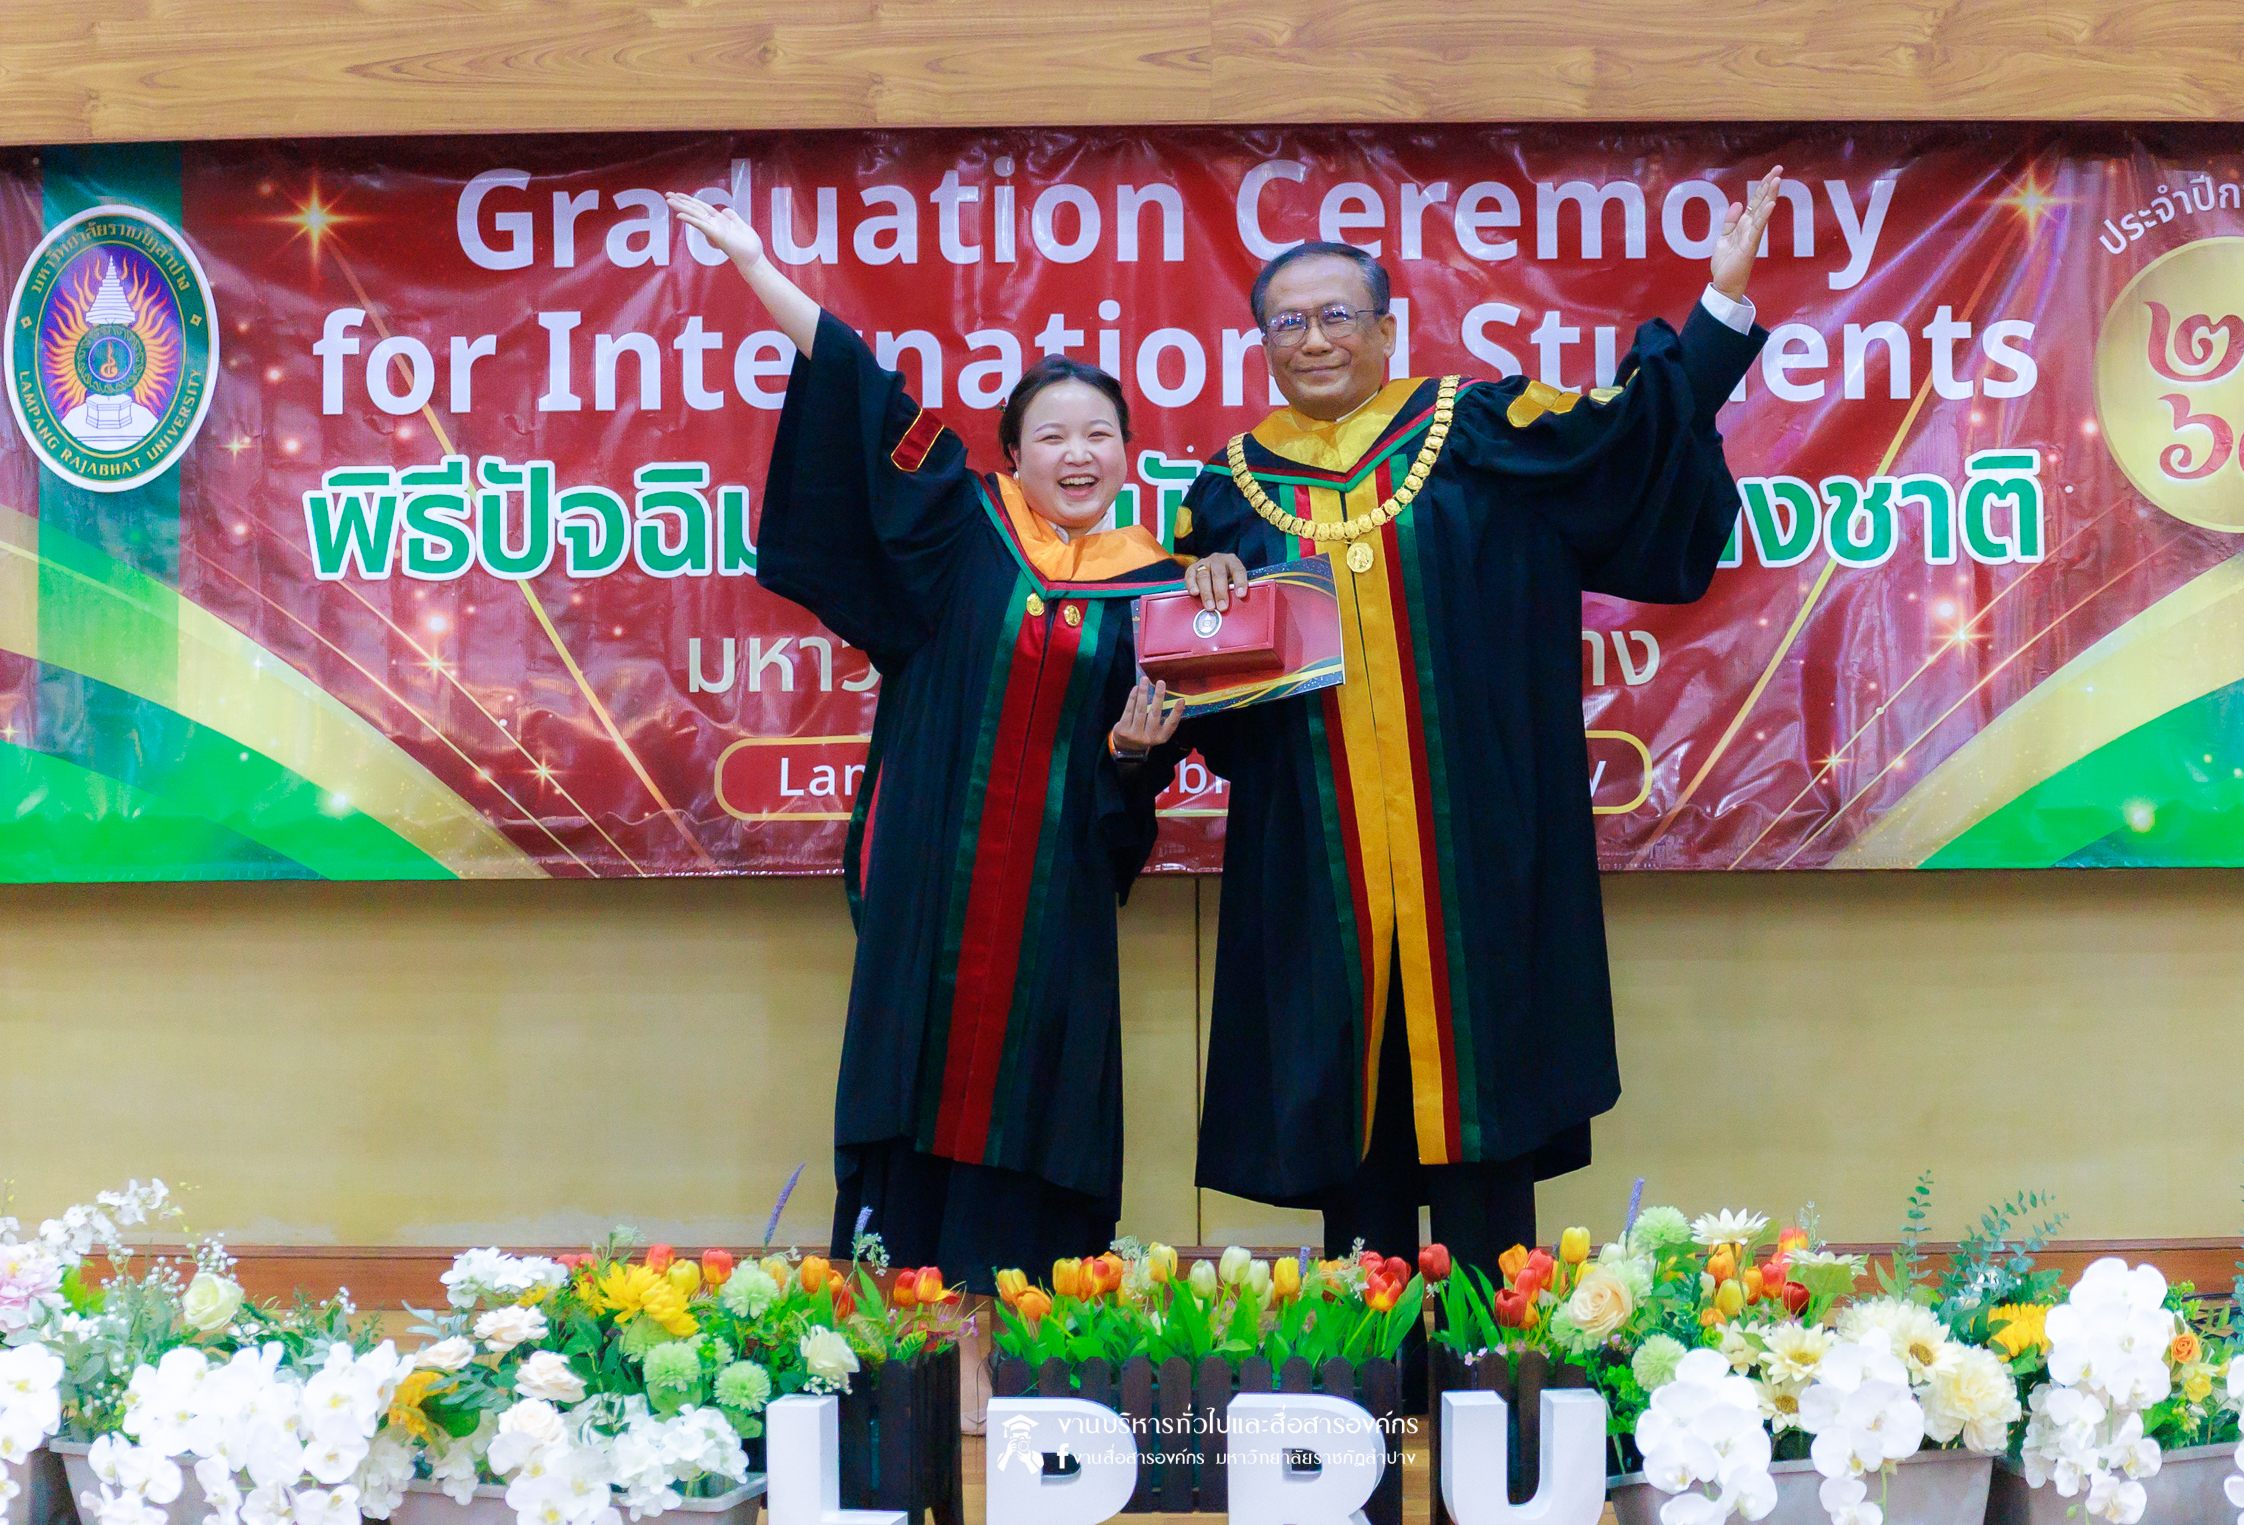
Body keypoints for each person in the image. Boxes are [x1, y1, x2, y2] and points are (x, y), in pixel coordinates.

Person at [1173, 172, 1784, 1285]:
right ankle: (1366, 1384)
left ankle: (1491, 1386)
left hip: (1478, 858)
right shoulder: (1225, 492)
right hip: (1321, 872)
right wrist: (1203, 603)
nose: (1314, 340)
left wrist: (1721, 302)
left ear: (1386, 328)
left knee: (1484, 1138)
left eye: (1337, 315)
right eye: (1288, 324)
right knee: (1353, 1145)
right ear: (1262, 344)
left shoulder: (1480, 428)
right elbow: (1209, 695)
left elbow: (1632, 436)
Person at [669, 192, 1186, 1291]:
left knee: (1040, 1088)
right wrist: (757, 266)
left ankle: (1031, 1320)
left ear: (1130, 453)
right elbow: (864, 393)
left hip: (1055, 900)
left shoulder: (1158, 588)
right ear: (1014, 456)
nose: (1077, 453)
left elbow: (1136, 786)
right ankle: (897, 1334)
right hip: (930, 881)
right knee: (913, 1073)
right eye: (1052, 435)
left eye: (1099, 433)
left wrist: (1135, 755)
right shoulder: (965, 530)